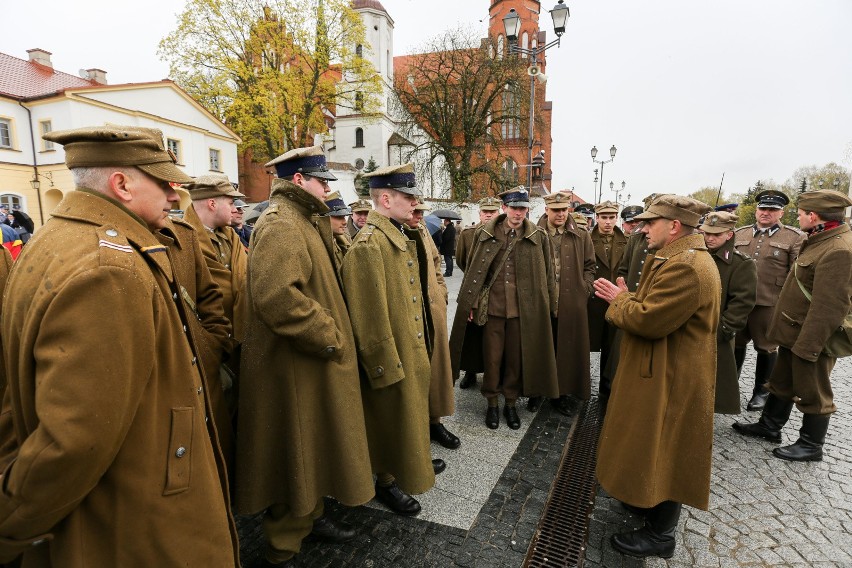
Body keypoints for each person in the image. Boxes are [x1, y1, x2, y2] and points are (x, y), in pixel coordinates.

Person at [0, 125, 239, 566]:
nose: (174, 196)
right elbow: (73, 442)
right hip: (131, 517)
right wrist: (10, 526)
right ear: (122, 184)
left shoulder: (57, 239)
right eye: (165, 183)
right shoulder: (110, 268)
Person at [235, 145, 374, 567]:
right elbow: (277, 297)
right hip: (294, 365)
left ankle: (310, 518)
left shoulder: (301, 219)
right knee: (292, 453)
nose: (326, 187)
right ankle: (284, 544)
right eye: (321, 180)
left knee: (308, 448)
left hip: (305, 363)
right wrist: (328, 334)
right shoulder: (282, 222)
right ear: (298, 180)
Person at [593, 194, 719, 560]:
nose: (642, 228)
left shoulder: (687, 266)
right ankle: (649, 504)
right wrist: (631, 297)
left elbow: (648, 320)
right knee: (655, 444)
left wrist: (620, 300)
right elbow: (654, 306)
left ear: (674, 226)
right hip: (664, 370)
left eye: (651, 222)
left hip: (673, 378)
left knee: (669, 447)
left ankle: (661, 533)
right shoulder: (678, 257)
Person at [341, 163, 436, 517]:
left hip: (408, 349)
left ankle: (409, 463)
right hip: (391, 355)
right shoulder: (369, 244)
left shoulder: (391, 234)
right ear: (385, 198)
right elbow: (368, 319)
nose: (415, 204)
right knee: (390, 420)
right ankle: (386, 480)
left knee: (407, 419)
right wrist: (384, 366)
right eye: (408, 197)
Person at [733, 190, 852, 462]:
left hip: (811, 337)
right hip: (793, 331)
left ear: (813, 215)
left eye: (799, 213)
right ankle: (769, 426)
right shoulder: (820, 238)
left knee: (814, 390)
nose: (797, 217)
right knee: (781, 382)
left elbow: (830, 306)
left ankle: (811, 445)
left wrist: (810, 346)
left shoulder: (839, 249)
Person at [449, 186, 558, 430]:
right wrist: (472, 303)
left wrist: (551, 306)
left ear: (527, 210)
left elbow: (549, 275)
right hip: (493, 310)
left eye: (522, 208)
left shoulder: (538, 236)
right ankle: (492, 404)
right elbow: (474, 269)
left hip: (523, 312)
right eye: (514, 207)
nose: (518, 213)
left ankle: (510, 403)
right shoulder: (485, 233)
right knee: (493, 358)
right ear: (505, 208)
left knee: (515, 359)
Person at [734, 189, 805, 411]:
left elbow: (796, 273)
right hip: (739, 300)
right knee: (734, 343)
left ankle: (762, 391)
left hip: (769, 302)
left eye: (772, 210)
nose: (766, 213)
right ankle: (729, 384)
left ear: (781, 213)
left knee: (766, 348)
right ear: (756, 210)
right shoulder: (740, 233)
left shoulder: (794, 237)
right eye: (763, 209)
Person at [531, 191, 595, 413]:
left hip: (570, 300)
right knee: (540, 346)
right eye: (555, 210)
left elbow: (589, 265)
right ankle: (537, 390)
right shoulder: (533, 233)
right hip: (542, 300)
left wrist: (584, 288)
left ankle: (562, 393)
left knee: (567, 348)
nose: (560, 214)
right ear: (546, 210)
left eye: (564, 209)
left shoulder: (581, 235)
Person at [409, 199, 460, 452]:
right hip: (411, 318)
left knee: (436, 371)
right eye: (414, 210)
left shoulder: (422, 231)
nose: (418, 214)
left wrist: (442, 293)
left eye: (421, 211)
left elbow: (436, 263)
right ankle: (417, 428)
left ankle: (435, 421)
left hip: (433, 311)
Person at [699, 211, 757, 414]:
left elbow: (743, 302)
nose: (710, 238)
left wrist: (724, 329)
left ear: (729, 235)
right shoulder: (697, 255)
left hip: (717, 331)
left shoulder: (741, 264)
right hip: (691, 329)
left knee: (713, 381)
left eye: (716, 234)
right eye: (706, 233)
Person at [456, 196, 501, 390]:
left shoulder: (505, 233)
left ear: (499, 213)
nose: (489, 214)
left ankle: (495, 372)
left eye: (493, 211)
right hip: (473, 288)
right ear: (479, 213)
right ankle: (471, 371)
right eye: (485, 211)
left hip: (497, 291)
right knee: (472, 333)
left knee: (495, 333)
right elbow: (461, 260)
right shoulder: (468, 234)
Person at [588, 200, 628, 398]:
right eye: (604, 217)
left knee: (612, 347)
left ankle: (607, 386)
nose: (607, 222)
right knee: (583, 344)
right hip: (591, 300)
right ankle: (579, 385)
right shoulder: (585, 239)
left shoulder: (626, 241)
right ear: (597, 218)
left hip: (615, 301)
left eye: (612, 217)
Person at [323, 192, 353, 269]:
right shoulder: (319, 243)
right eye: (339, 217)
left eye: (344, 217)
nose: (344, 222)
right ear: (323, 217)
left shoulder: (344, 241)